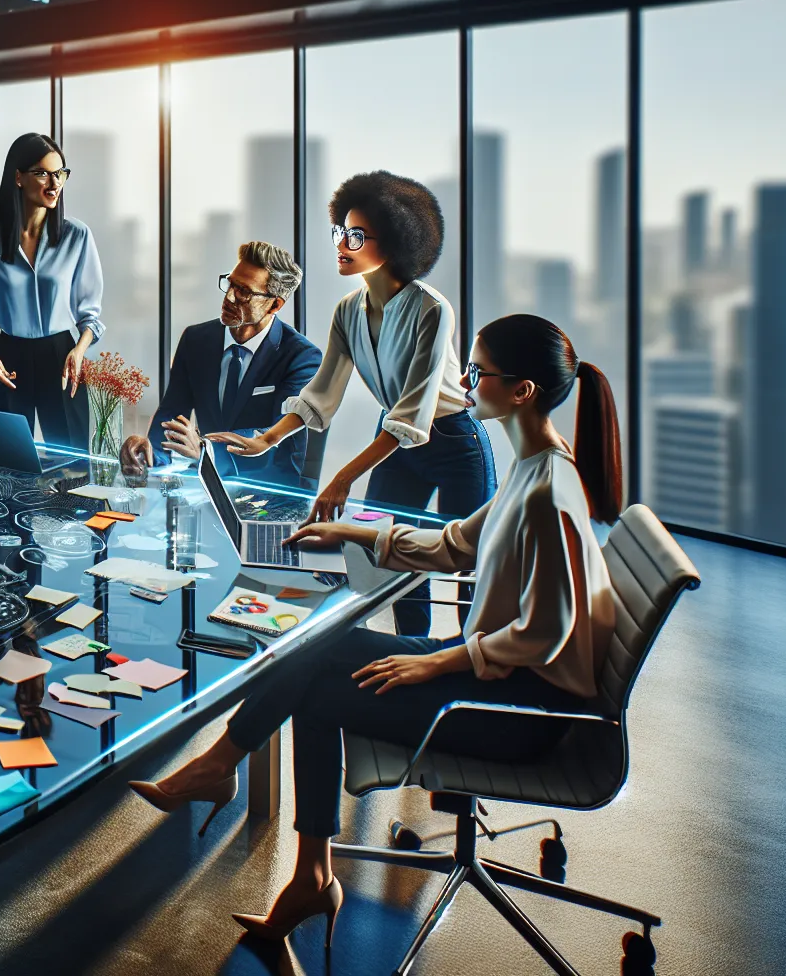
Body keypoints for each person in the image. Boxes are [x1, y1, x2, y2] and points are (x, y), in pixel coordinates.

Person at [129, 314, 623, 966]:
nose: (465, 381)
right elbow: (454, 545)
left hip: (517, 711)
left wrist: (437, 662)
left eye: (479, 373)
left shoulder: (548, 492)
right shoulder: (533, 466)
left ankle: (267, 823)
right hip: (494, 677)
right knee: (321, 640)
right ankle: (285, 845)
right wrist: (355, 535)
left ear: (523, 391)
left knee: (318, 686)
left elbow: (544, 632)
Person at [208, 171, 496, 633]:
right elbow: (322, 394)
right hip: (396, 440)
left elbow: (413, 413)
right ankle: (410, 648)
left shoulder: (432, 309)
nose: (342, 242)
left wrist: (342, 478)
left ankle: (467, 657)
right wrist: (267, 439)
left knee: (471, 567)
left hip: (452, 441)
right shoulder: (347, 311)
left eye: (356, 235)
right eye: (341, 230)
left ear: (398, 241)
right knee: (389, 555)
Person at [120, 240, 322, 486]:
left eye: (244, 291)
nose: (229, 297)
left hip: (272, 493)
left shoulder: (302, 357)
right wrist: (149, 454)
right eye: (230, 283)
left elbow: (276, 435)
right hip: (205, 487)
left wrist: (206, 449)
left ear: (275, 304)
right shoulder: (196, 340)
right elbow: (172, 413)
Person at [0, 132, 101, 450]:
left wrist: (79, 351)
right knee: (5, 462)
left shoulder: (77, 236)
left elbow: (90, 313)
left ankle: (71, 504)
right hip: (7, 359)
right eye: (43, 173)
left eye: (60, 173)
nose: (54, 183)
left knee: (73, 465)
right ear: (17, 177)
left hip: (63, 358)